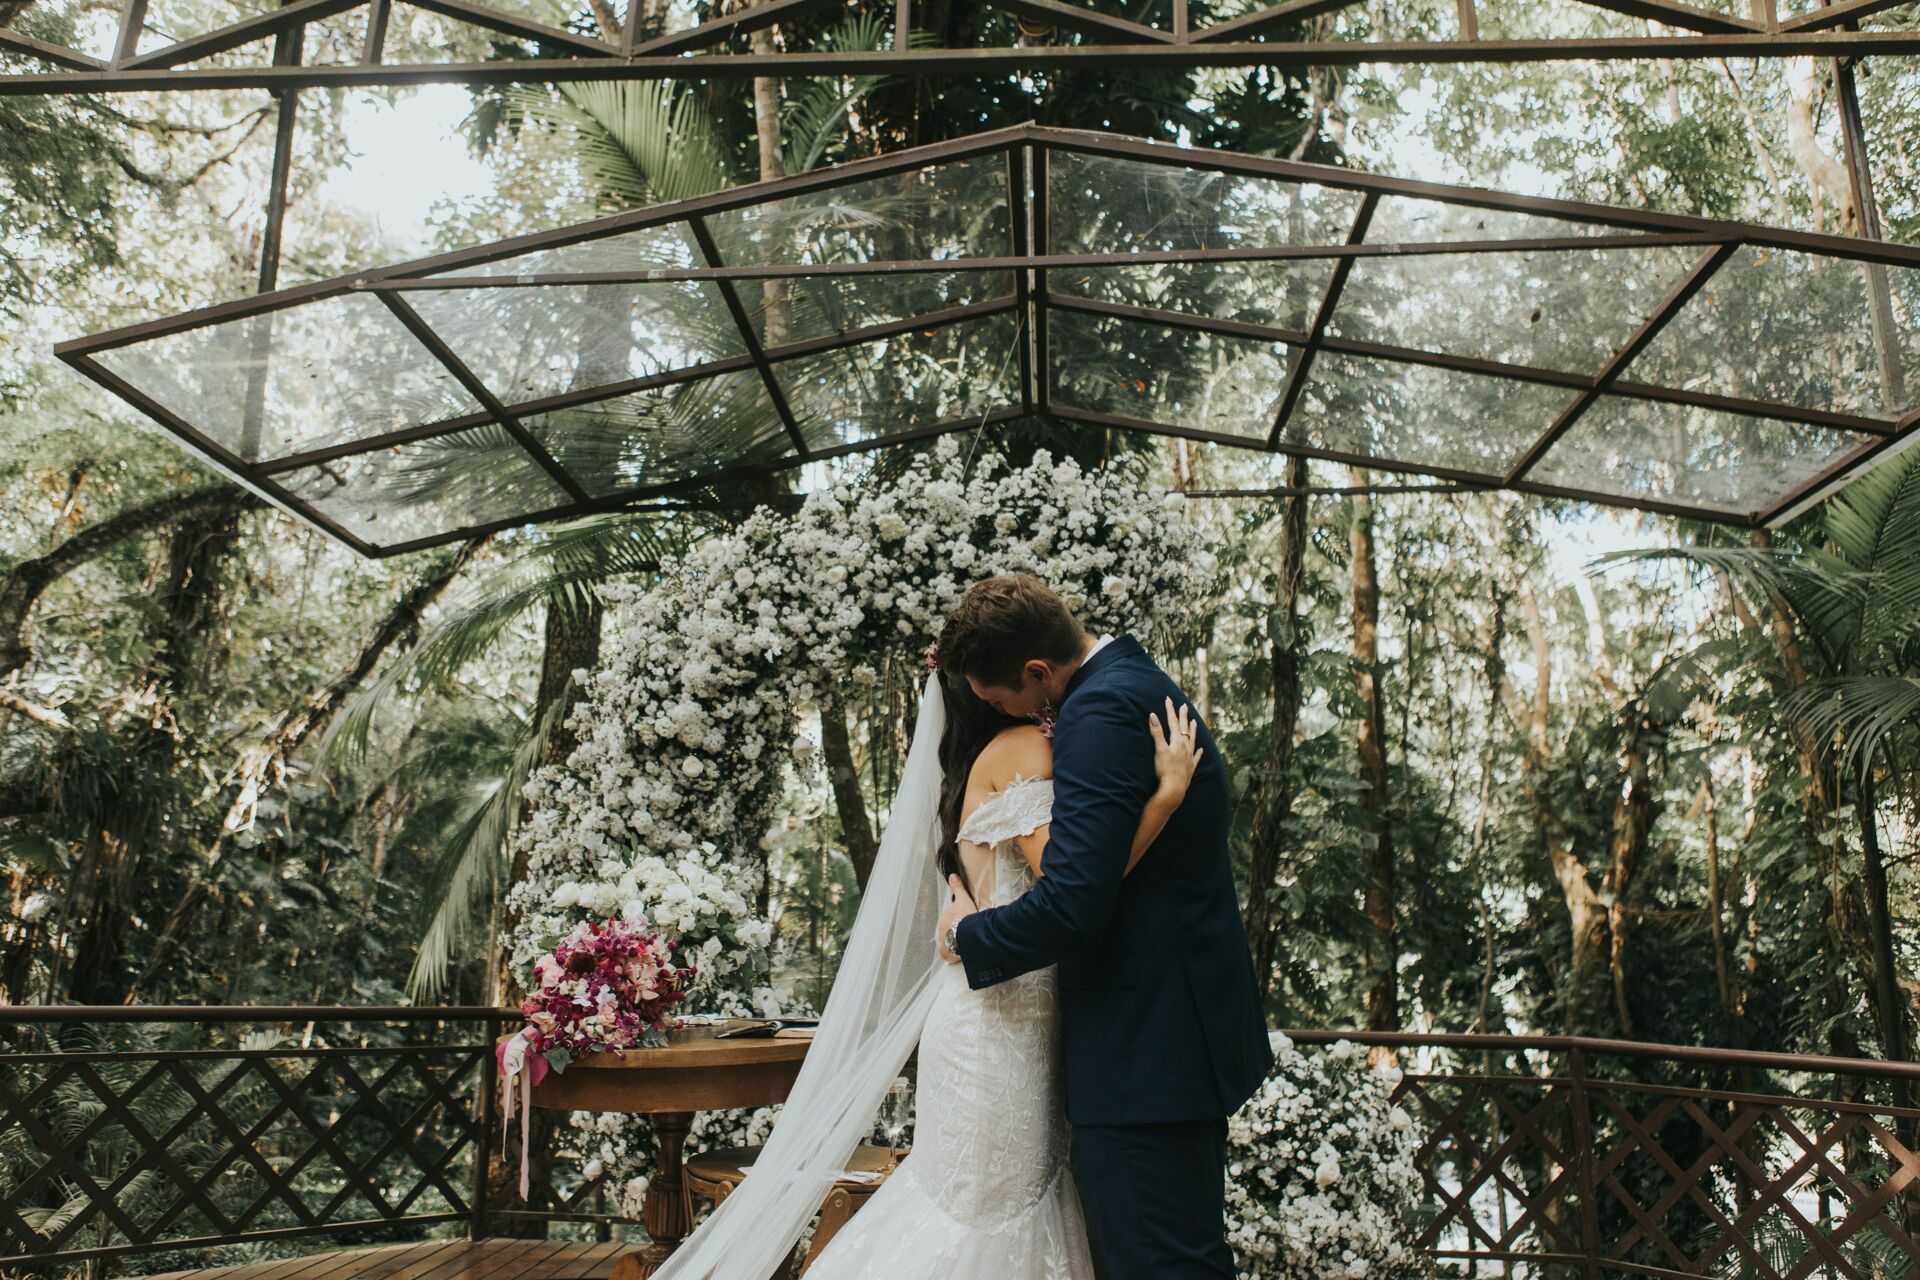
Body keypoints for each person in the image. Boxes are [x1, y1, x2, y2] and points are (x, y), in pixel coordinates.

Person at [796, 636, 1204, 1278]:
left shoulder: (978, 762)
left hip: (998, 1015)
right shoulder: (1023, 751)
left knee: (984, 1208)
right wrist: (1165, 799)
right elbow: (1075, 887)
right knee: (987, 1215)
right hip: (998, 1032)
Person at [935, 573, 1273, 1279]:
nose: (1014, 717)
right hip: (1166, 1037)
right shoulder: (1138, 682)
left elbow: (1072, 901)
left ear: (1037, 671)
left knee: (1161, 1264)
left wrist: (968, 939)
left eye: (1005, 699)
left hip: (1144, 1049)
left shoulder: (1099, 712)